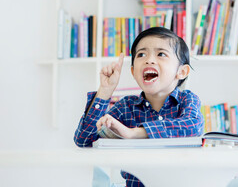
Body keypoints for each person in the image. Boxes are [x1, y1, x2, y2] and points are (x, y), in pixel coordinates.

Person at [74, 27, 204, 187]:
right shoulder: (126, 107)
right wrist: (105, 91)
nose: (149, 60)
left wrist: (133, 133)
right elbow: (84, 140)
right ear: (133, 72)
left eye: (161, 54)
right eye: (141, 54)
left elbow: (192, 127)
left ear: (182, 71)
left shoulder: (187, 100)